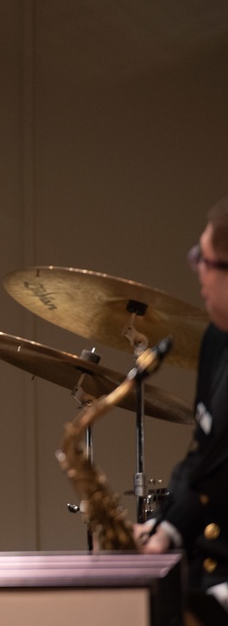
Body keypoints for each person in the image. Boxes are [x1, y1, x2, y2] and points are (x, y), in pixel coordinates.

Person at [136, 196, 228, 624]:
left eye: (203, 261)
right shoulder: (216, 339)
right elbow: (204, 457)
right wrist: (163, 531)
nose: (198, 273)